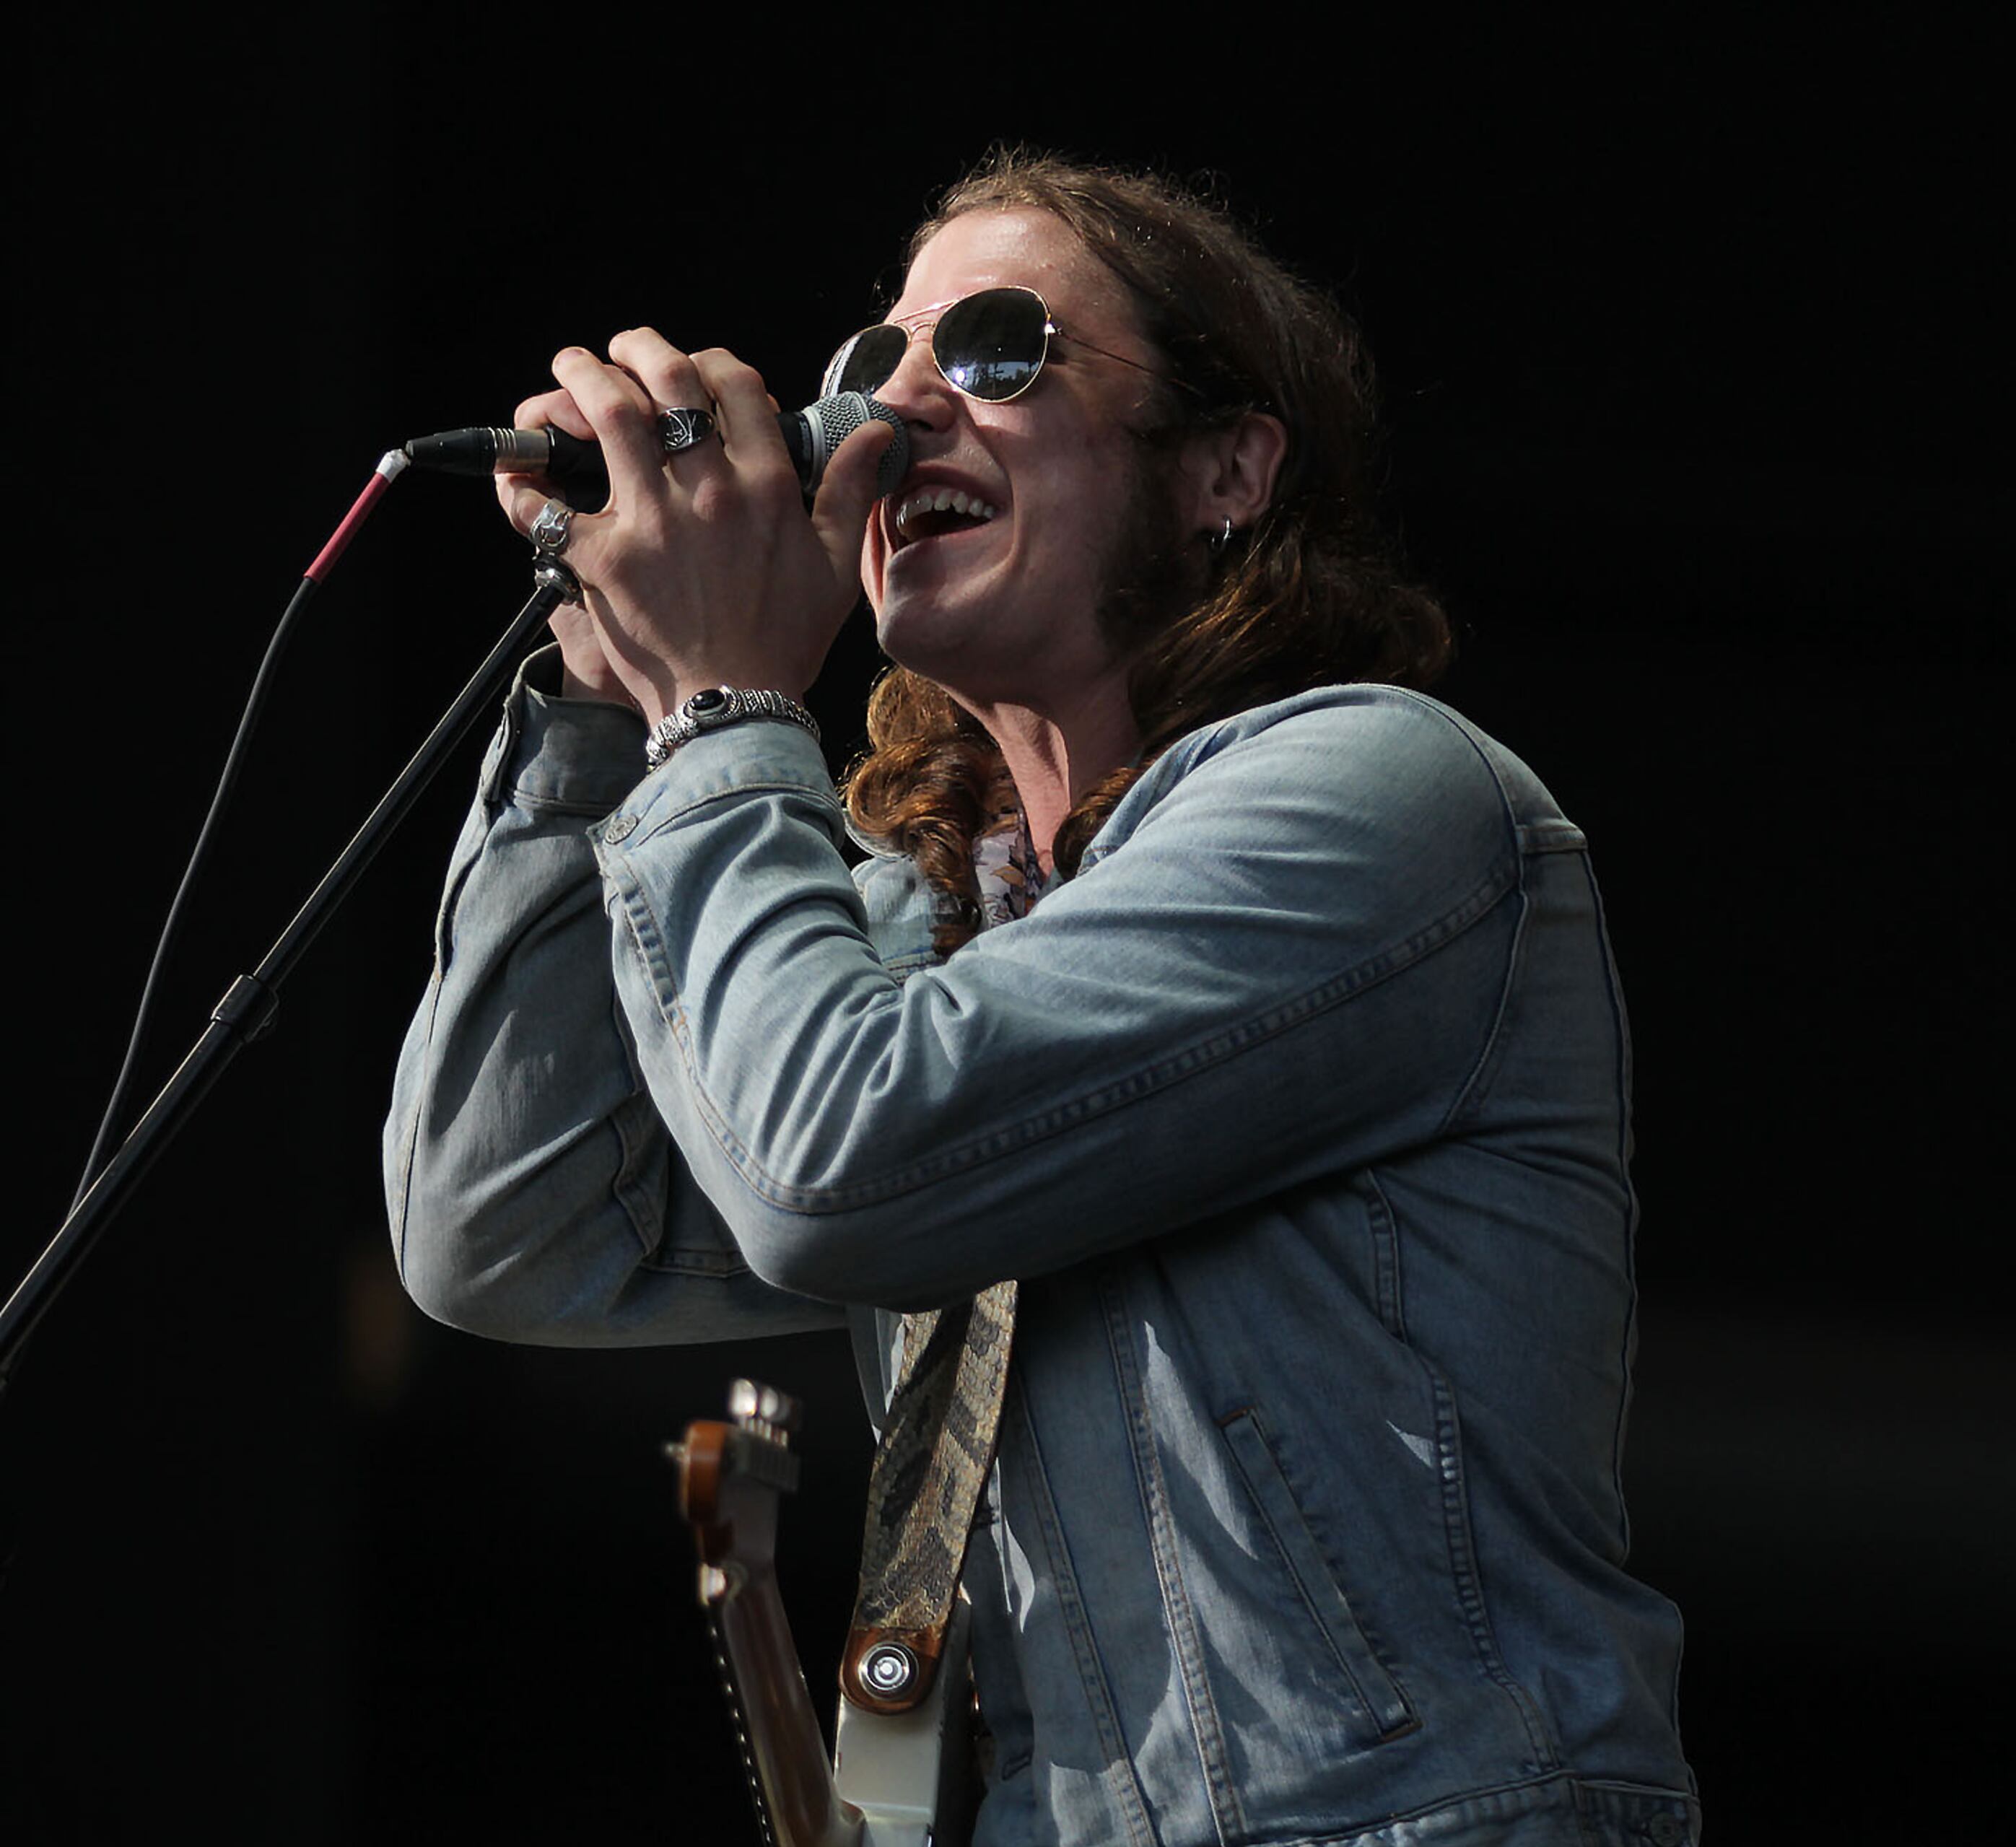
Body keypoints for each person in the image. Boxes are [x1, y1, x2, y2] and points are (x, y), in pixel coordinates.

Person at [385, 149, 1698, 1847]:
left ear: (1225, 464)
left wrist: (715, 704)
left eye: (999, 350)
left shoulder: (1386, 804)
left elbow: (835, 1163)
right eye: (873, 366)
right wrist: (594, 710)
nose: (901, 412)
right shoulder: (910, 935)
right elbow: (510, 1222)